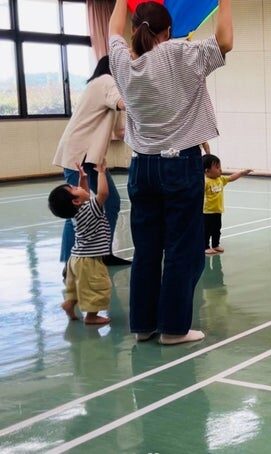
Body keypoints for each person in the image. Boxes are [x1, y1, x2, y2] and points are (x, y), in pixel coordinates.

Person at [108, 0, 233, 344]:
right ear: (167, 31)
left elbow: (112, 31)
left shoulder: (122, 61)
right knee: (182, 248)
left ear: (135, 29)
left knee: (146, 250)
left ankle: (143, 325)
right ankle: (175, 329)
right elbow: (225, 41)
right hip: (180, 164)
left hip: (142, 168)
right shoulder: (181, 53)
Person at [52, 56, 129, 268]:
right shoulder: (106, 80)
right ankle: (70, 262)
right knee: (75, 210)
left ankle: (103, 254)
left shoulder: (109, 86)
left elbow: (120, 131)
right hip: (79, 154)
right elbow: (123, 103)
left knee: (111, 202)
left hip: (91, 157)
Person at [48, 160, 113, 326]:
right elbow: (103, 194)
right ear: (76, 201)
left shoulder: (77, 212)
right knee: (97, 287)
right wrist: (101, 172)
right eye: (75, 189)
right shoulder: (91, 210)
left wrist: (83, 179)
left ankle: (69, 304)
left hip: (75, 260)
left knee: (78, 286)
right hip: (89, 261)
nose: (79, 187)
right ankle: (91, 316)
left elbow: (83, 194)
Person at [203, 154, 253, 255]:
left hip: (218, 211)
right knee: (206, 230)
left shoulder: (220, 179)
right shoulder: (205, 182)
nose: (220, 169)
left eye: (220, 167)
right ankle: (205, 246)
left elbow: (231, 178)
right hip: (207, 212)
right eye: (217, 167)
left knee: (217, 229)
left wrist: (241, 173)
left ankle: (215, 244)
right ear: (207, 170)